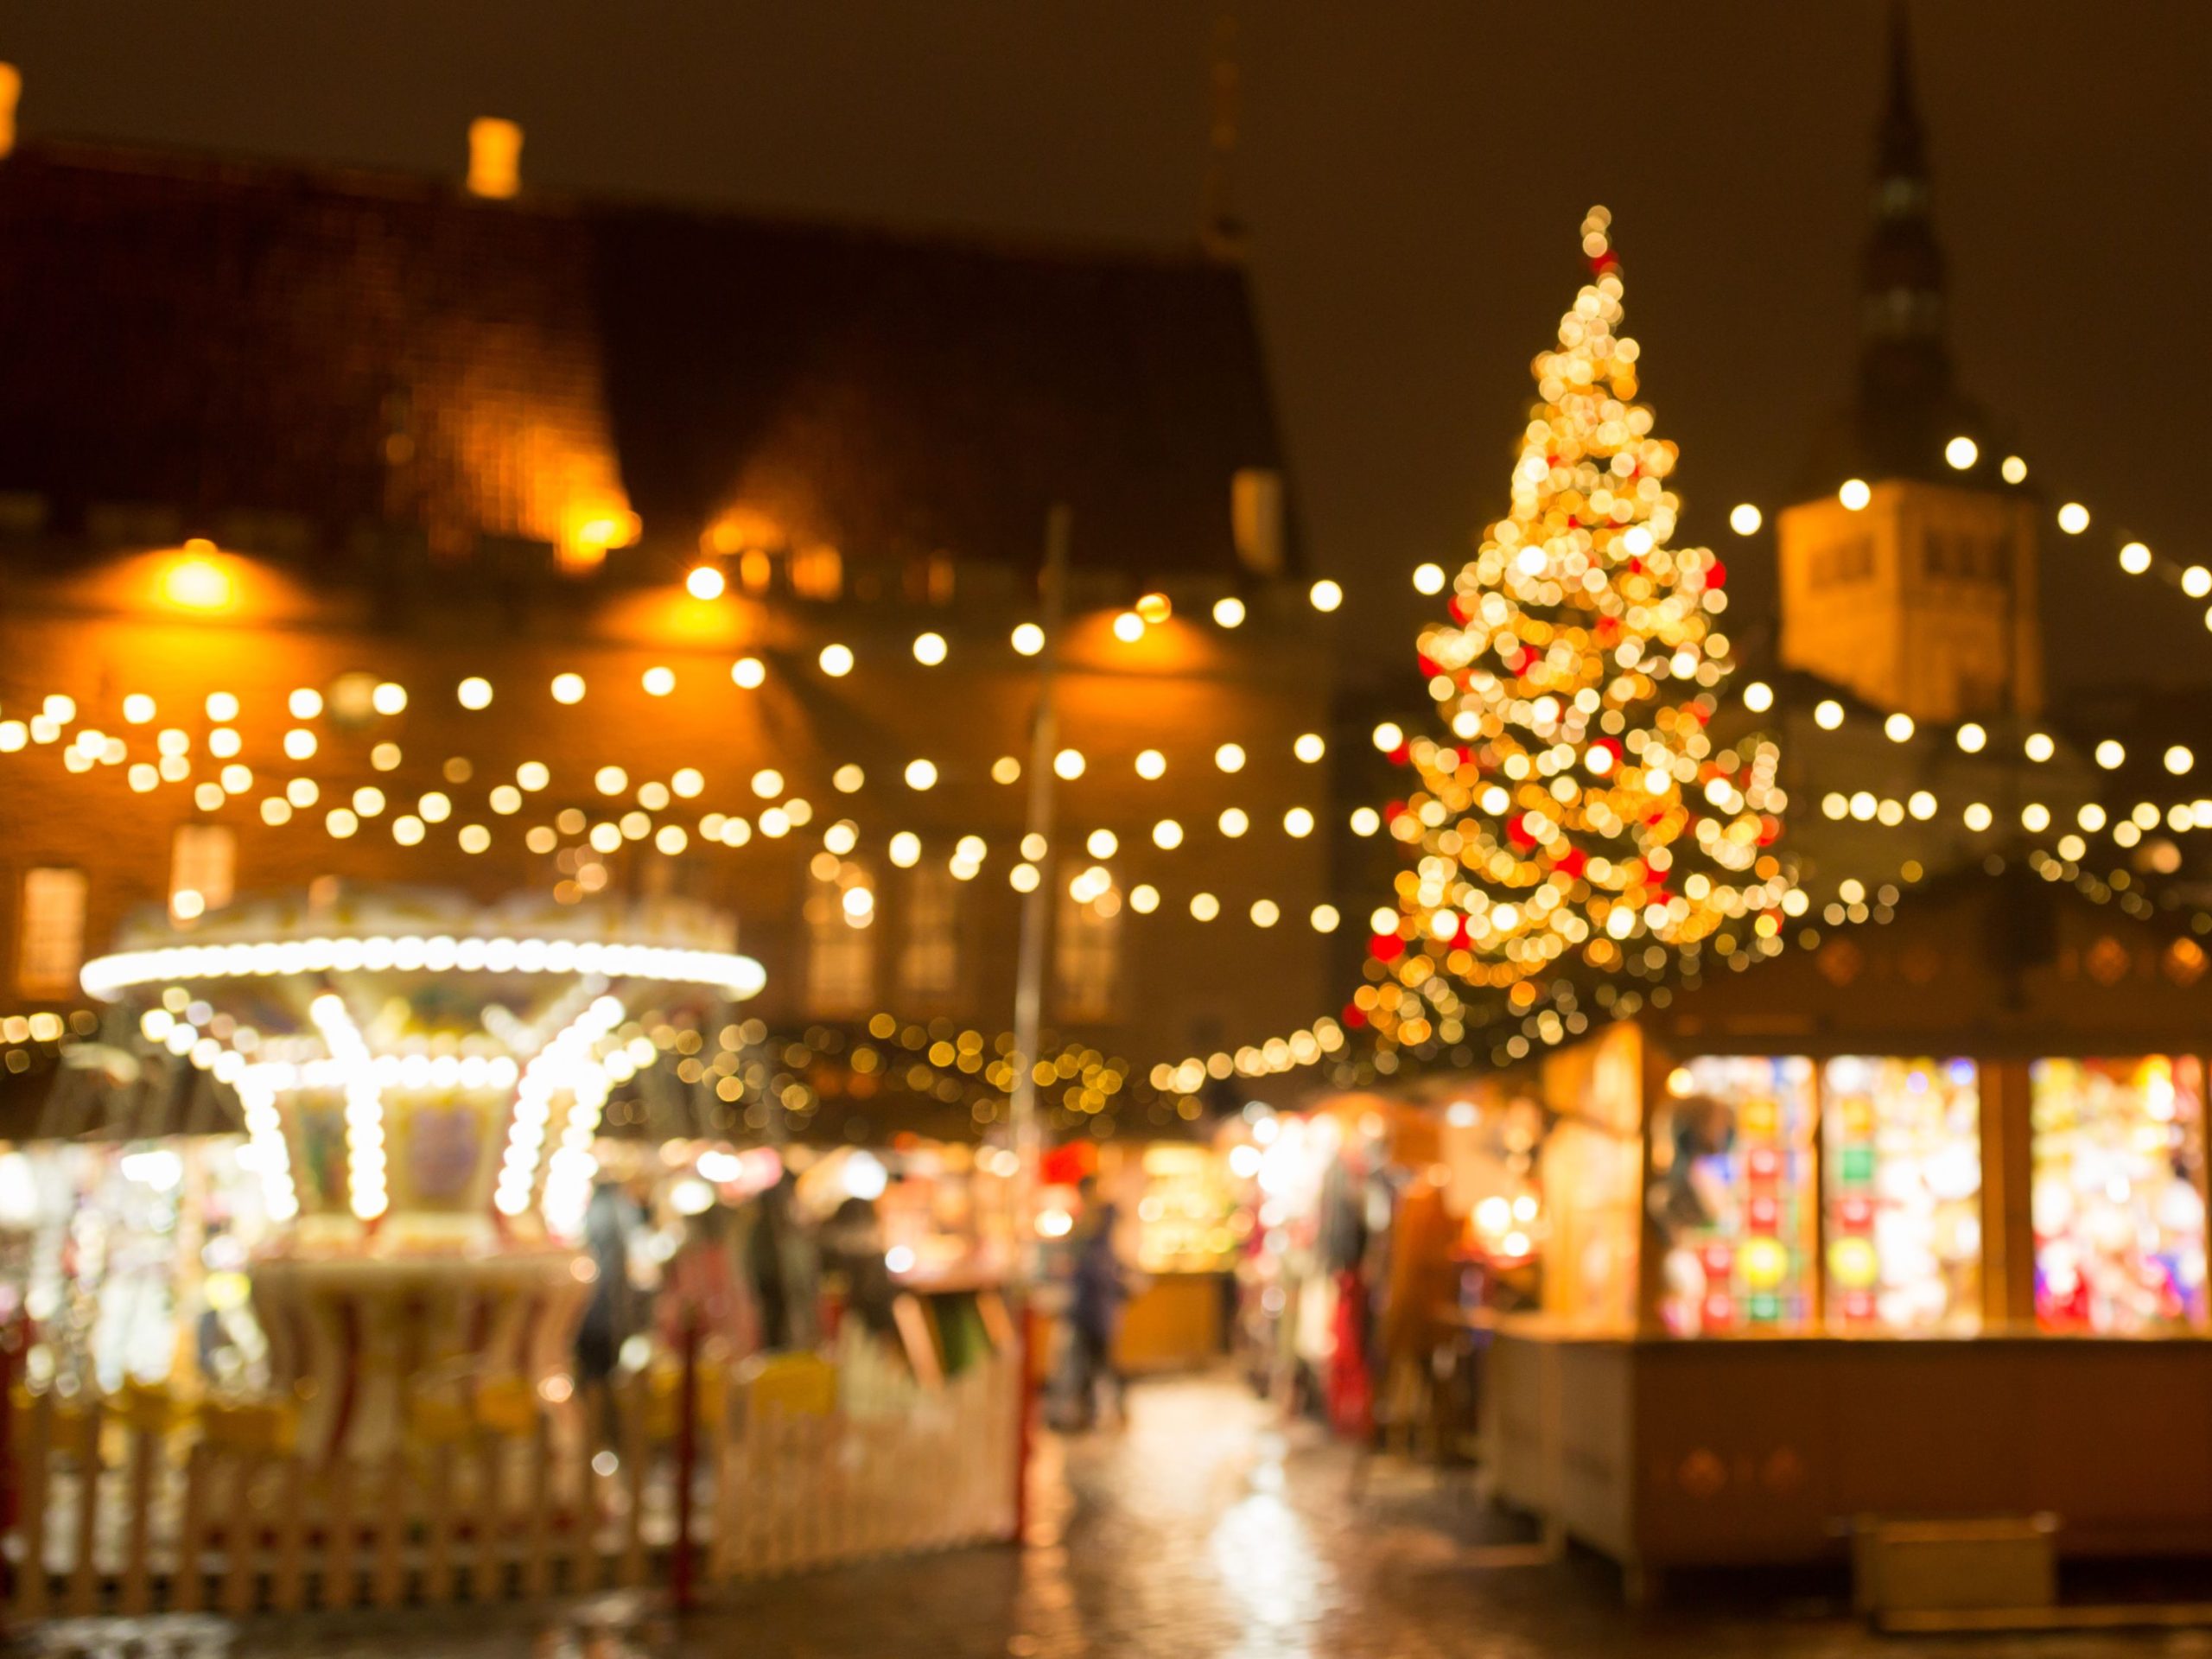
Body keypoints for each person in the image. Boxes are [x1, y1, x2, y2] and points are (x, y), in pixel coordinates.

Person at [1068, 1194, 1132, 1428]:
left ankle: (1090, 1412)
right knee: (1099, 1365)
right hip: (1095, 1316)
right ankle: (1090, 1411)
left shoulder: (1094, 1245)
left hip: (1094, 1316)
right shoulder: (1096, 1247)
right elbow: (1103, 1279)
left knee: (1096, 1365)